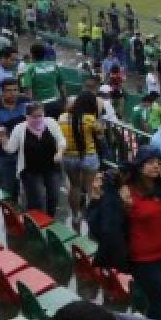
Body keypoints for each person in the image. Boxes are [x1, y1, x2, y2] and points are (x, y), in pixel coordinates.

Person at [88, 146, 161, 320]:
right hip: (144, 261)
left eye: (159, 163)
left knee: (156, 300)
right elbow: (101, 225)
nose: (156, 166)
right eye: (150, 162)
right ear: (139, 165)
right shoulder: (124, 191)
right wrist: (98, 198)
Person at [0, 102, 65, 217]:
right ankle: (37, 222)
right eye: (35, 116)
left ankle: (50, 220)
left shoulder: (51, 123)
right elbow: (10, 149)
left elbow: (61, 140)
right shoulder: (20, 129)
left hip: (51, 167)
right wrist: (3, 137)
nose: (38, 119)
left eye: (40, 115)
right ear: (27, 116)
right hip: (31, 170)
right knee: (38, 199)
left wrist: (59, 152)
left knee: (54, 195)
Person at [60, 90, 105, 231]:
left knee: (74, 186)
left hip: (68, 157)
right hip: (89, 157)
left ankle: (75, 215)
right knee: (90, 188)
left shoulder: (62, 118)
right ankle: (93, 217)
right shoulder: (90, 119)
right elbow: (101, 136)